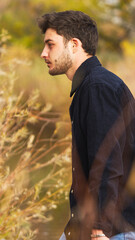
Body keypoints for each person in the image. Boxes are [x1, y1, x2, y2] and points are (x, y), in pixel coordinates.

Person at [37, 10, 135, 240]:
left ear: (74, 44)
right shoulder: (90, 87)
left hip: (112, 230)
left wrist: (99, 228)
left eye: (50, 44)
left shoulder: (97, 87)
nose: (43, 53)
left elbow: (107, 162)